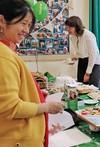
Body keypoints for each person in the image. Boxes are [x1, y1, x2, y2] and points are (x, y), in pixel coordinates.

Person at [0, 0, 64, 147]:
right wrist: (47, 107)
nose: (26, 30)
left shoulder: (7, 52)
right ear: (2, 21)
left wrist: (35, 93)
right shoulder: (3, 56)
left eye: (29, 25)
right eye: (23, 23)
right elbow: (11, 108)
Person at [65, 16, 100, 88]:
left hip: (94, 63)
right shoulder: (72, 37)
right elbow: (80, 51)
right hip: (82, 62)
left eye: (70, 27)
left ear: (77, 26)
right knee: (80, 88)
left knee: (92, 90)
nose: (68, 29)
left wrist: (88, 73)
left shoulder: (88, 35)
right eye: (67, 27)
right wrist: (75, 57)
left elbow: (93, 55)